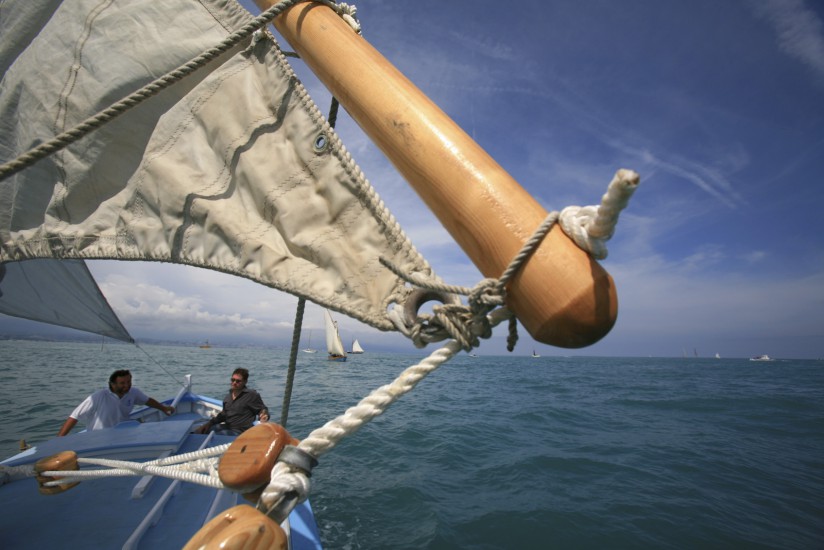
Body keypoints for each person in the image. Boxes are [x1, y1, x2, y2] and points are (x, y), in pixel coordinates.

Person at [57, 369, 175, 436]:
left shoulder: (133, 392)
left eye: (129, 381)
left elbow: (147, 401)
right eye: (122, 383)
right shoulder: (99, 396)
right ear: (113, 384)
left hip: (121, 433)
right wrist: (59, 440)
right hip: (98, 437)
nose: (127, 385)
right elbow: (74, 416)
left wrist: (163, 408)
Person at [195, 368, 269, 435]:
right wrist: (209, 424)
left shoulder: (251, 395)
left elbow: (262, 409)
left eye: (238, 381)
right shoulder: (228, 397)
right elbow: (223, 415)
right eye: (232, 380)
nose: (234, 383)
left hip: (240, 431)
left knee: (217, 435)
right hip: (228, 426)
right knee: (206, 430)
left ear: (245, 382)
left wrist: (264, 415)